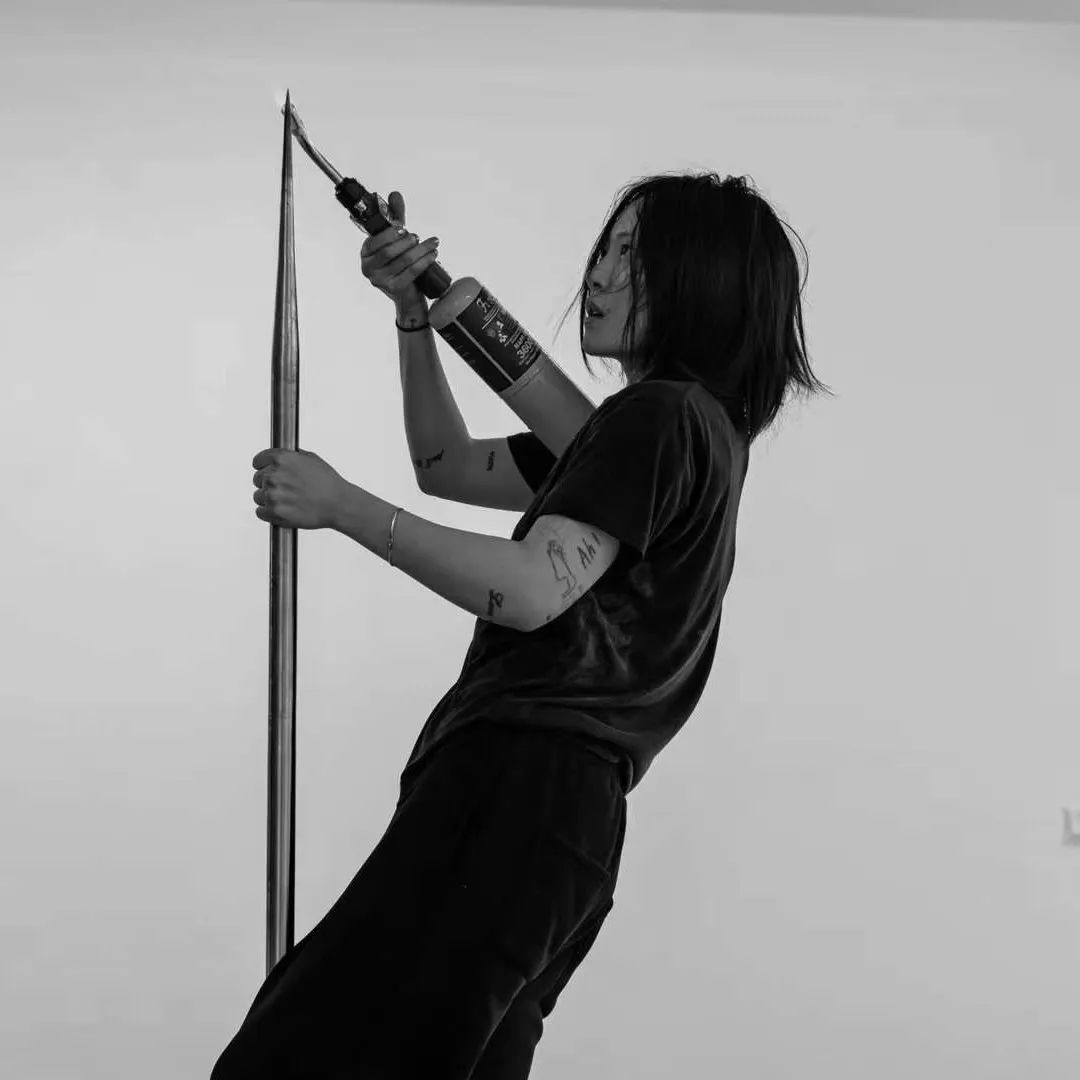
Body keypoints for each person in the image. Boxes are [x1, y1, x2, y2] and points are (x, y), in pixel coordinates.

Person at [213, 172, 833, 1079]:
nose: (602, 273)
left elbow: (535, 588)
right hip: (568, 833)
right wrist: (413, 317)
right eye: (607, 247)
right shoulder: (690, 434)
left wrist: (343, 506)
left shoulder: (657, 419)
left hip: (516, 791)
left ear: (699, 281)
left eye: (635, 255)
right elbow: (445, 464)